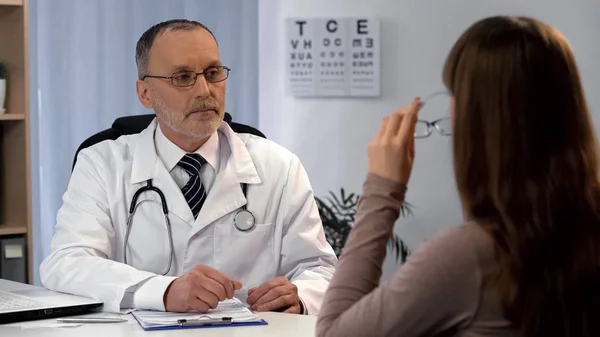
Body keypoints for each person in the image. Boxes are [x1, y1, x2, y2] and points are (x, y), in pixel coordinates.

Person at [316, 16, 600, 337]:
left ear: (477, 121)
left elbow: (333, 333)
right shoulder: (582, 232)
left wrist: (382, 188)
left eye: (455, 95)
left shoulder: (471, 257)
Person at [40, 19, 337, 315]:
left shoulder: (279, 166)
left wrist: (299, 299)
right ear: (145, 93)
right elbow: (66, 263)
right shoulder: (102, 164)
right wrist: (164, 291)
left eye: (213, 73)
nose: (205, 90)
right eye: (182, 77)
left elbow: (319, 268)